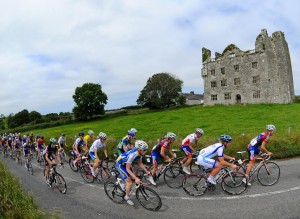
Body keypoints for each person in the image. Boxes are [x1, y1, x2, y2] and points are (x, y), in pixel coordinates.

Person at [115, 140, 156, 206]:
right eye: (144, 150)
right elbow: (128, 169)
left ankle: (124, 184)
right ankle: (126, 197)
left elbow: (140, 163)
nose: (145, 151)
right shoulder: (132, 155)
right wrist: (136, 178)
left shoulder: (139, 153)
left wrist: (147, 172)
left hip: (125, 163)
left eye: (146, 150)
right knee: (130, 182)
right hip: (120, 164)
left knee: (132, 177)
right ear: (139, 149)